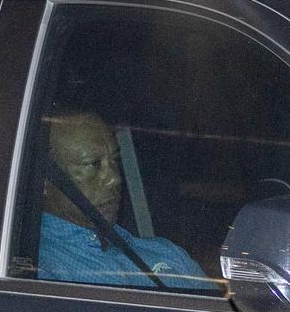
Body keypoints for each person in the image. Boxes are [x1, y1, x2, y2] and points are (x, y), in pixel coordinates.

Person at [33, 110, 213, 291]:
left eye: (115, 160)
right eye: (93, 164)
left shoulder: (167, 253)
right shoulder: (39, 272)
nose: (115, 178)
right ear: (45, 181)